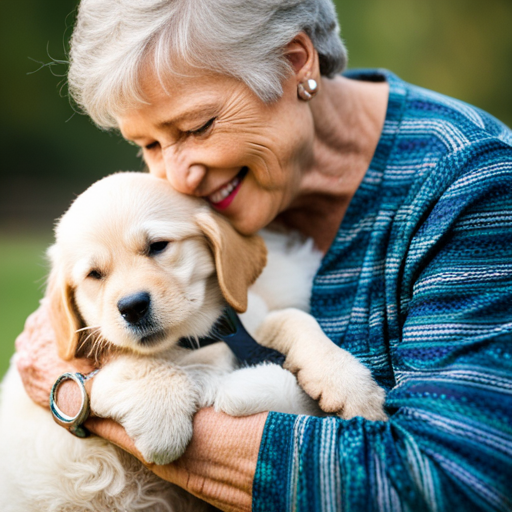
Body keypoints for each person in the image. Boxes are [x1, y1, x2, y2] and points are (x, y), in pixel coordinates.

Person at [14, 0, 512, 510]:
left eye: (198, 126)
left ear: (296, 63)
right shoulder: (207, 204)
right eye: (149, 143)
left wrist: (86, 398)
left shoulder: (471, 188)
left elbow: (452, 482)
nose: (178, 177)